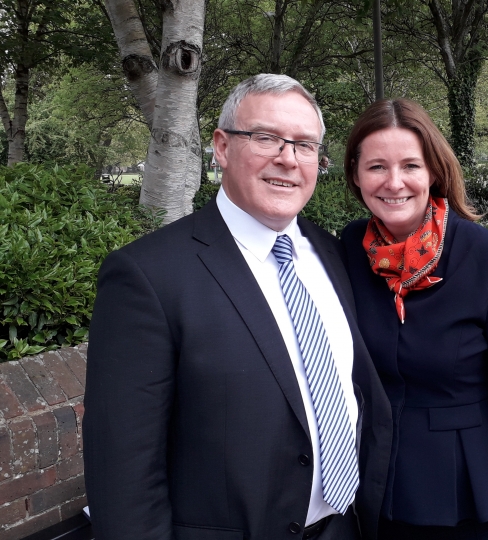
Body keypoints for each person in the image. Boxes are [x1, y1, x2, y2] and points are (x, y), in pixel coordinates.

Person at [83, 74, 392, 540]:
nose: (288, 159)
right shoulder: (147, 276)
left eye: (305, 145)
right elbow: (124, 468)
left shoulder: (334, 255)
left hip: (346, 528)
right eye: (266, 137)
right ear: (222, 147)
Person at [339, 98, 488, 540]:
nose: (394, 182)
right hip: (370, 488)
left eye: (410, 166)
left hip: (462, 497)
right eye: (376, 166)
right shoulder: (346, 250)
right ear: (355, 175)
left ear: (433, 171)